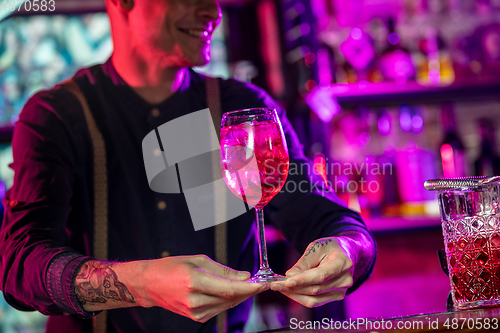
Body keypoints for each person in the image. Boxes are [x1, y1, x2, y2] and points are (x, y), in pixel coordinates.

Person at [0, 0, 376, 332]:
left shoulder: (242, 112)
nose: (213, 12)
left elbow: (334, 221)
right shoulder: (56, 116)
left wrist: (348, 251)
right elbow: (20, 265)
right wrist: (142, 283)